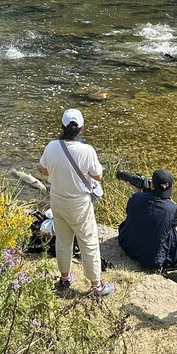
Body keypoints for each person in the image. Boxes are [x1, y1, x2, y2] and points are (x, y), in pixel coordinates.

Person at [38, 109, 114, 296]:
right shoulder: (87, 150)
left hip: (57, 200)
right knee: (88, 242)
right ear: (81, 129)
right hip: (79, 204)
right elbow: (98, 175)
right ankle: (96, 285)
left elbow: (44, 171)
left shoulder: (51, 146)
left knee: (63, 240)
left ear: (62, 127)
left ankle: (65, 278)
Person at [118, 169, 177, 271]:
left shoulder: (135, 198)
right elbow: (171, 225)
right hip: (154, 261)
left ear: (152, 185)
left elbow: (134, 212)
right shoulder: (174, 209)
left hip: (128, 249)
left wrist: (140, 194)